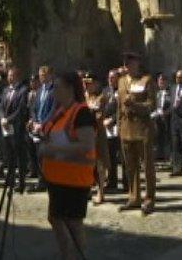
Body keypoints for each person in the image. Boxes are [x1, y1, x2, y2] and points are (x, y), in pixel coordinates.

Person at [40, 71, 97, 260]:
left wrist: (53, 148)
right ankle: (67, 255)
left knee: (73, 224)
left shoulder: (82, 112)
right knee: (55, 218)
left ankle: (78, 256)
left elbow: (87, 145)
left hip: (75, 179)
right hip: (56, 178)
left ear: (70, 89)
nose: (53, 91)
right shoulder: (59, 112)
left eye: (57, 87)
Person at [117, 52, 157, 215]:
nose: (127, 65)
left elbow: (151, 105)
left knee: (147, 165)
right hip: (126, 128)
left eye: (130, 62)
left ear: (137, 63)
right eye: (125, 63)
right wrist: (119, 125)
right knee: (130, 165)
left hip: (142, 129)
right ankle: (134, 197)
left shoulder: (146, 80)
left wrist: (134, 104)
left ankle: (149, 198)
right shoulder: (121, 81)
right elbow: (120, 106)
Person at [0, 67, 30, 193]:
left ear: (18, 76)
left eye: (12, 75)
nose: (10, 78)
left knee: (19, 156)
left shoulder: (23, 90)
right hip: (6, 128)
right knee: (9, 155)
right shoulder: (6, 90)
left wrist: (9, 120)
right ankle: (9, 180)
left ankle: (21, 182)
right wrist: (2, 118)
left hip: (17, 128)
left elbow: (21, 110)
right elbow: (0, 106)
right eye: (9, 75)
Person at [84, 74, 110, 204]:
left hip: (97, 135)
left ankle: (101, 192)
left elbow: (99, 116)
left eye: (90, 83)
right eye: (85, 83)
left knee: (99, 165)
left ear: (96, 84)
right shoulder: (84, 97)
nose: (87, 86)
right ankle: (88, 189)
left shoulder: (101, 98)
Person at [31, 65, 57, 192]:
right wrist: (35, 122)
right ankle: (42, 181)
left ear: (50, 75)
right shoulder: (40, 90)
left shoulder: (54, 90)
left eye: (44, 75)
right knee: (39, 155)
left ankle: (50, 180)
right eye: (40, 75)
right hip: (38, 127)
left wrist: (43, 124)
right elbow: (34, 107)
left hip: (49, 128)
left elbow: (53, 110)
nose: (41, 78)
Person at [102, 69, 124, 194]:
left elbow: (121, 109)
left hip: (118, 125)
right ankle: (112, 181)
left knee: (122, 156)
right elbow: (102, 106)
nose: (111, 80)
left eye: (113, 77)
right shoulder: (105, 91)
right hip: (107, 128)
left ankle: (127, 183)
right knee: (109, 156)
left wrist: (113, 120)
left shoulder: (121, 91)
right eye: (109, 77)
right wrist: (104, 119)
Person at [153, 74, 173, 162]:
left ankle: (168, 155)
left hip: (168, 117)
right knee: (158, 136)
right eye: (160, 81)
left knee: (168, 136)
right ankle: (159, 154)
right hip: (157, 117)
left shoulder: (171, 92)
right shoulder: (156, 92)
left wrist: (167, 112)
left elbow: (173, 105)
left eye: (163, 80)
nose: (161, 82)